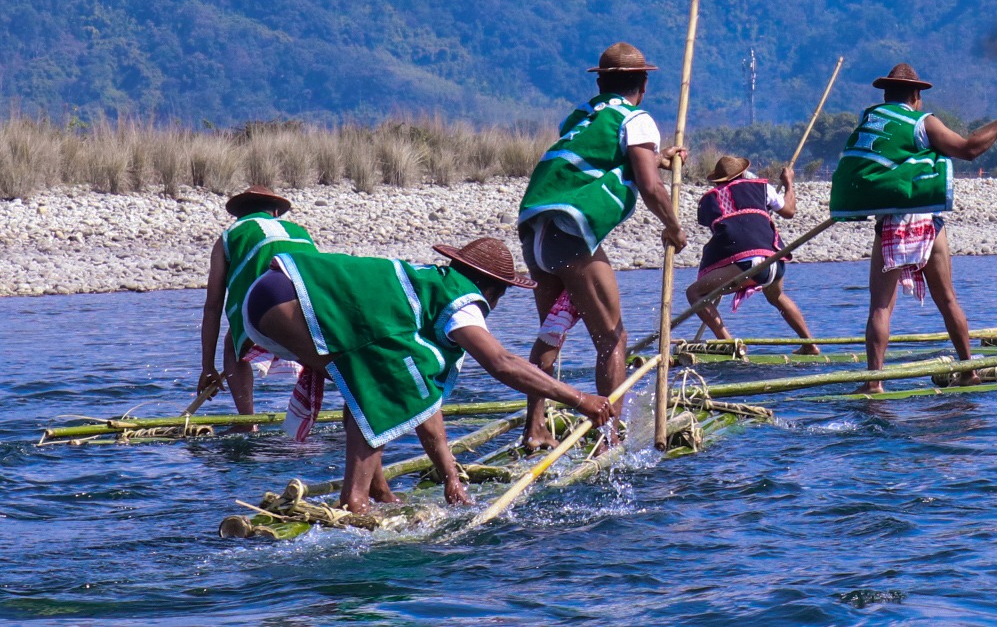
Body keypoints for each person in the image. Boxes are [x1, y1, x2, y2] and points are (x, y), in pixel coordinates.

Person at [240, 236, 614, 513]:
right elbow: (502, 362)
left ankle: (376, 491)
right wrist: (581, 399)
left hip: (264, 296)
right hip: (290, 299)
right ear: (490, 290)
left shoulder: (425, 294)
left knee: (371, 384)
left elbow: (422, 404)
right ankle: (355, 501)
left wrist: (450, 476)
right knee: (384, 386)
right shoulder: (462, 302)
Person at [516, 42, 688, 451]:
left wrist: (658, 156)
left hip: (535, 230)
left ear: (601, 82)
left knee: (551, 333)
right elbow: (649, 185)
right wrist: (673, 226)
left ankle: (535, 427)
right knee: (612, 340)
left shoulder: (582, 116)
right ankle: (609, 435)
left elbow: (606, 155)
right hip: (570, 233)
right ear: (642, 84)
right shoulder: (637, 117)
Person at [829, 63, 997, 393]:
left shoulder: (870, 124)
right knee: (948, 299)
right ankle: (969, 370)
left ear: (885, 95)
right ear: (915, 96)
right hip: (926, 221)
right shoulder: (921, 122)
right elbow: (969, 149)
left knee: (881, 306)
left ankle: (873, 382)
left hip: (890, 225)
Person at [197, 185, 318, 429]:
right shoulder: (300, 232)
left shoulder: (230, 236)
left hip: (269, 305)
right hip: (313, 307)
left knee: (234, 344)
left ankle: (247, 420)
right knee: (317, 354)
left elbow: (213, 306)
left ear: (240, 214)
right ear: (275, 212)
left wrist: (207, 367)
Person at [685, 156, 818, 355]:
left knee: (695, 293)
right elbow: (789, 211)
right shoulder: (763, 188)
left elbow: (722, 228)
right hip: (774, 260)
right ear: (742, 173)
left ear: (719, 180)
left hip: (747, 263)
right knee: (777, 295)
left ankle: (729, 345)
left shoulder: (709, 200)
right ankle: (809, 343)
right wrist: (790, 183)